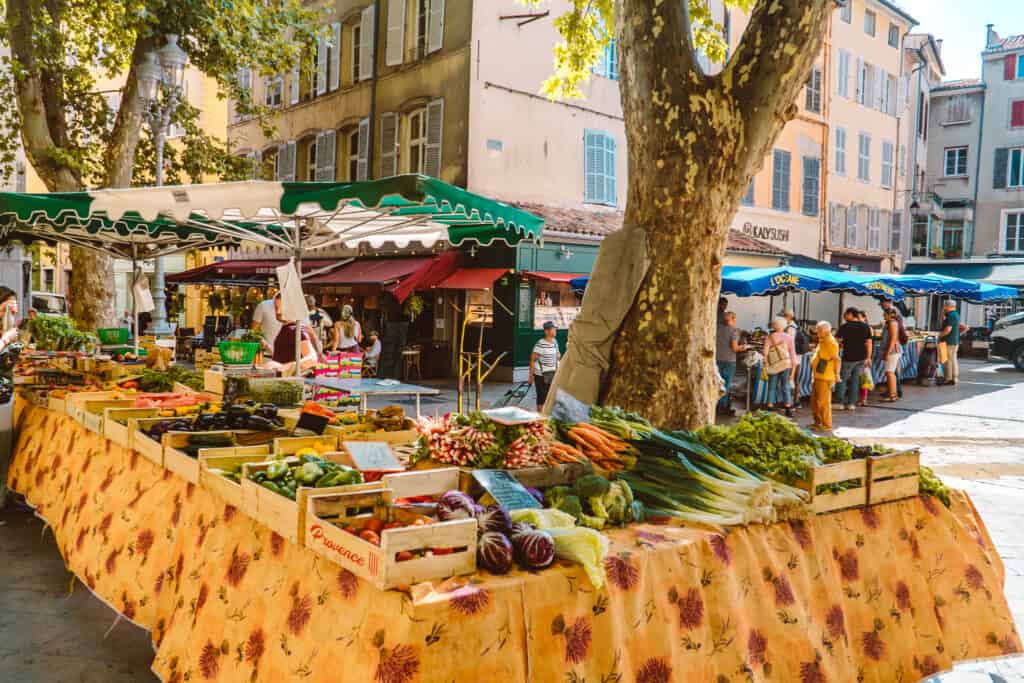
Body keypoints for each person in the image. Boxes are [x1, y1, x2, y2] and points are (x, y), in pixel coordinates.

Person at [835, 307, 873, 411]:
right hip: (862, 357)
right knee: (855, 381)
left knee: (842, 379)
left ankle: (839, 402)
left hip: (849, 357)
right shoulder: (866, 327)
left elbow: (836, 341)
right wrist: (868, 357)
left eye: (846, 314)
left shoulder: (845, 326)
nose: (844, 316)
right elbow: (869, 343)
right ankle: (852, 403)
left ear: (851, 314)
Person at [267, 297, 317, 375]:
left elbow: (312, 359)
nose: (278, 312)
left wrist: (283, 367)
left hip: (291, 382)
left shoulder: (296, 329)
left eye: (282, 308)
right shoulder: (286, 328)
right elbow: (284, 355)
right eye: (276, 308)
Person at [715, 311, 749, 416]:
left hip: (717, 359)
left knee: (717, 383)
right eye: (735, 319)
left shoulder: (717, 328)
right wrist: (744, 347)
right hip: (729, 361)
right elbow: (734, 348)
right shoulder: (734, 331)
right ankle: (723, 407)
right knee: (726, 384)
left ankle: (715, 406)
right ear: (732, 319)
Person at [763, 317, 797, 417]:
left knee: (772, 386)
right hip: (785, 364)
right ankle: (788, 408)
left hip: (774, 365)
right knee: (785, 386)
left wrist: (766, 361)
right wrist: (793, 366)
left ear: (774, 325)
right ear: (784, 326)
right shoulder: (789, 337)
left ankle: (769, 406)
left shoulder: (769, 337)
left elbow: (765, 352)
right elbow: (792, 353)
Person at [810, 320, 840, 431]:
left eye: (818, 331)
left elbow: (837, 360)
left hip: (825, 377)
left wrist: (837, 375)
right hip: (818, 376)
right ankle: (818, 422)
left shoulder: (831, 343)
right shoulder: (823, 340)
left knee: (823, 402)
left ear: (825, 331)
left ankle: (826, 424)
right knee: (815, 401)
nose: (817, 333)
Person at [529, 321, 561, 412]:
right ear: (546, 331)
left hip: (552, 373)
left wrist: (558, 356)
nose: (555, 331)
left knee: (550, 397)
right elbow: (532, 360)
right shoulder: (540, 344)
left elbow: (558, 355)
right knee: (541, 398)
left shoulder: (555, 342)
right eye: (553, 329)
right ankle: (540, 417)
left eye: (555, 329)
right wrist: (530, 376)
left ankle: (547, 416)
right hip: (540, 375)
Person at [879, 308, 902, 401]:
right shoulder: (890, 323)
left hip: (893, 351)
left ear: (891, 314)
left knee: (889, 372)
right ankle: (892, 393)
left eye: (885, 314)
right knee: (890, 372)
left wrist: (887, 353)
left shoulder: (892, 323)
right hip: (893, 351)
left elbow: (893, 339)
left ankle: (892, 395)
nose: (883, 315)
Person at [938, 300, 961, 386]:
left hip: (949, 341)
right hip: (954, 341)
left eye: (944, 306)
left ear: (948, 306)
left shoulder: (951, 315)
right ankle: (954, 377)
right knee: (953, 360)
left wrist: (940, 335)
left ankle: (948, 378)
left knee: (947, 360)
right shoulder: (955, 314)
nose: (944, 308)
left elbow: (948, 329)